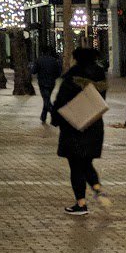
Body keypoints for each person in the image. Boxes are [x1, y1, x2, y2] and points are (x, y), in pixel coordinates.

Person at [49, 46, 108, 215]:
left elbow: (61, 101)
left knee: (76, 165)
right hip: (94, 124)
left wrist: (55, 119)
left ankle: (81, 203)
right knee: (86, 162)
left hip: (74, 125)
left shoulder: (73, 76)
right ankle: (97, 187)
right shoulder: (100, 75)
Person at [32, 45, 64, 125]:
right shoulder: (54, 61)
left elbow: (33, 71)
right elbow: (58, 73)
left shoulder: (39, 60)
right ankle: (43, 116)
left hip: (42, 82)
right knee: (47, 98)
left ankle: (55, 113)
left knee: (46, 100)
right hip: (51, 82)